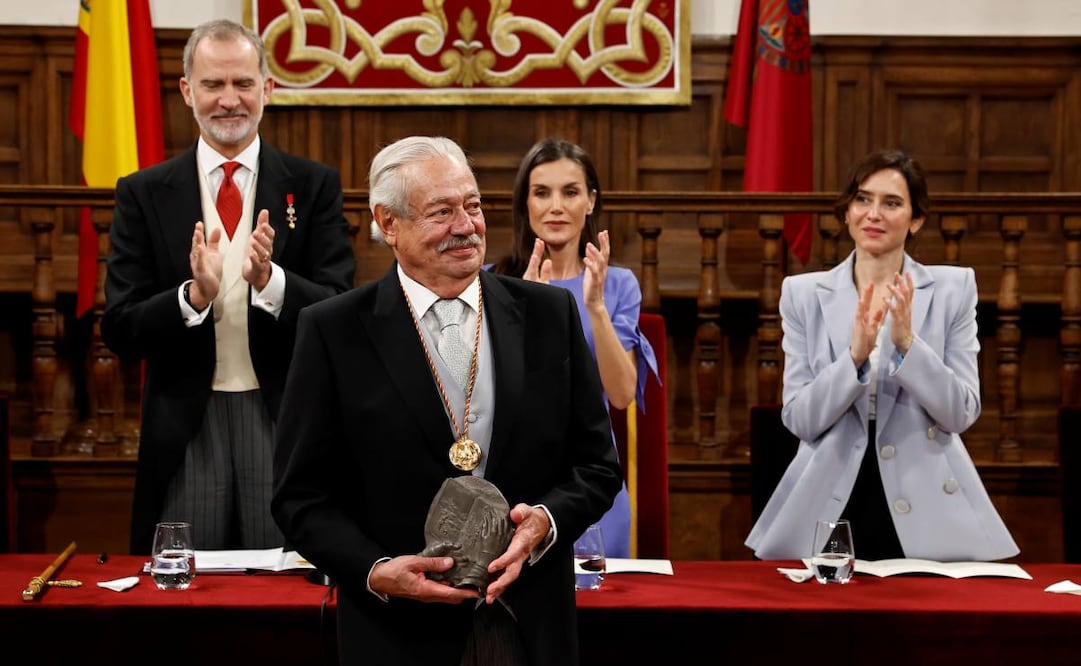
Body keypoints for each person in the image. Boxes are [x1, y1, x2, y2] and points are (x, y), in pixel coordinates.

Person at [271, 136, 621, 665]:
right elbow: (299, 499)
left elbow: (597, 466)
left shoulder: (549, 315)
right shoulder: (333, 331)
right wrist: (375, 570)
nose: (466, 226)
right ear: (388, 223)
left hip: (529, 625)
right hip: (395, 636)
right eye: (442, 212)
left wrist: (545, 521)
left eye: (473, 205)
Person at [102, 19, 356, 555]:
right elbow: (120, 326)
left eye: (243, 83)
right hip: (186, 424)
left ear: (267, 88)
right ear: (186, 90)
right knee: (184, 584)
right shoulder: (143, 193)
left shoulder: (313, 185)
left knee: (285, 584)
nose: (229, 100)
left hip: (282, 415)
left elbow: (340, 308)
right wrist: (191, 298)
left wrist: (272, 281)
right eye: (213, 84)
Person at [745, 149, 1018, 562]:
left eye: (891, 203)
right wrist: (853, 358)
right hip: (832, 494)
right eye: (862, 199)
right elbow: (800, 420)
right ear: (847, 212)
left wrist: (909, 345)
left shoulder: (954, 290)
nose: (873, 214)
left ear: (916, 219)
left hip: (926, 494)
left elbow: (961, 413)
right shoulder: (802, 294)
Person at [490, 138, 659, 559]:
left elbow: (621, 394)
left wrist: (596, 307)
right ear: (525, 203)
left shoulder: (618, 285)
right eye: (541, 193)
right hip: (516, 481)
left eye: (570, 192)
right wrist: (531, 313)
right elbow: (492, 393)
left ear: (590, 201)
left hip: (592, 478)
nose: (556, 207)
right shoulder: (494, 283)